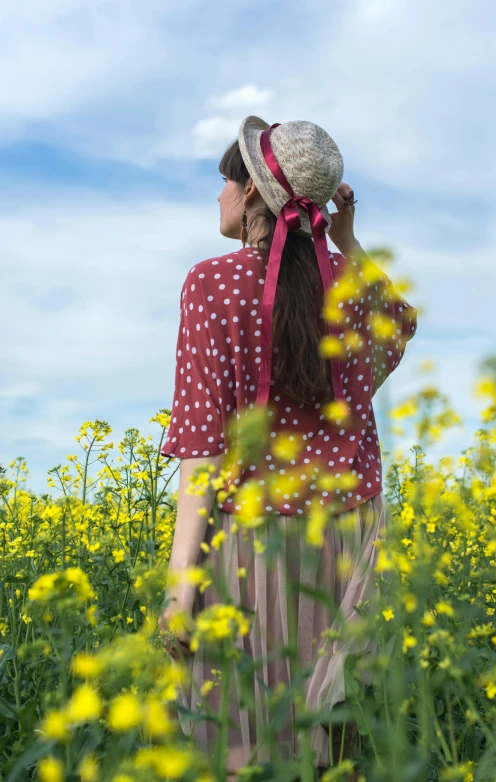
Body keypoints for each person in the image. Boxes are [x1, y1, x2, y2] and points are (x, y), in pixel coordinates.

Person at [158, 117, 418, 780]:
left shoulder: (211, 284)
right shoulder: (350, 286)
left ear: (252, 195)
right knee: (330, 744)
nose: (217, 193)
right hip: (347, 539)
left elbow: (203, 448)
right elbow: (399, 330)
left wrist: (181, 585)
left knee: (244, 741)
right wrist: (349, 243)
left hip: (253, 544)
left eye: (225, 179)